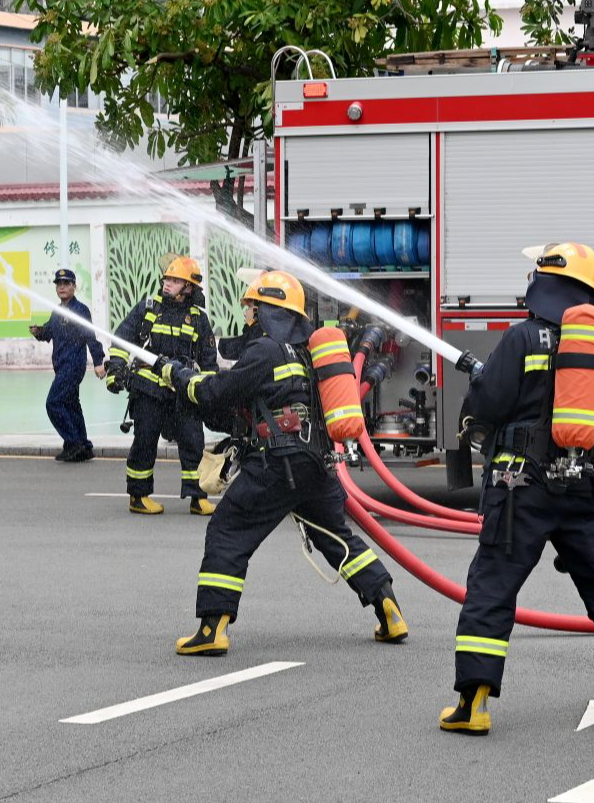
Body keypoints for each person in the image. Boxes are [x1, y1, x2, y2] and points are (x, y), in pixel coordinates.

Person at [439, 242, 594, 735]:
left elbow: (489, 402)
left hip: (520, 485)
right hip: (580, 483)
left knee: (493, 585)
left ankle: (472, 704)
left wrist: (483, 379)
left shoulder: (523, 337)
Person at [157, 269, 409, 656]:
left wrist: (178, 375)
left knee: (228, 531)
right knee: (336, 535)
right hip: (316, 464)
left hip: (278, 463)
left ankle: (212, 629)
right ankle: (388, 608)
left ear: (268, 311)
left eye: (252, 308)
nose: (248, 316)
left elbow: (214, 393)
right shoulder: (310, 353)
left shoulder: (266, 351)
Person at [104, 256, 218, 515]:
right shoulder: (148, 308)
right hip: (148, 390)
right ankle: (138, 496)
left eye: (175, 280)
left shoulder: (198, 318)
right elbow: (122, 338)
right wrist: (115, 371)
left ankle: (197, 497)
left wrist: (212, 393)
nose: (168, 284)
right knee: (145, 440)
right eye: (167, 278)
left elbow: (209, 361)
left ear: (189, 287)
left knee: (193, 442)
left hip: (183, 391)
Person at [30, 268, 106, 462]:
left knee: (53, 403)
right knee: (71, 405)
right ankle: (84, 445)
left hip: (73, 365)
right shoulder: (57, 311)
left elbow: (90, 336)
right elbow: (49, 332)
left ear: (74, 286)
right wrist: (39, 331)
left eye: (66, 283)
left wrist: (98, 362)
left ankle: (74, 443)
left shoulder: (80, 310)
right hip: (62, 366)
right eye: (59, 284)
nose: (62, 287)